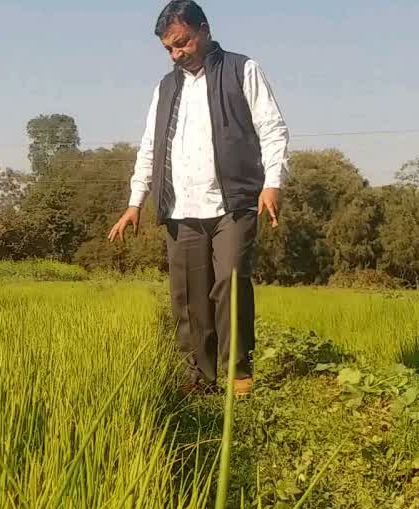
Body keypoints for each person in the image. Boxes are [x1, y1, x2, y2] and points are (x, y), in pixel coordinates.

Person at [109, 0, 289, 397]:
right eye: (169, 49)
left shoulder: (243, 69)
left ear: (203, 29)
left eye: (182, 43)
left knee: (230, 281)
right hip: (180, 207)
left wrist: (272, 182)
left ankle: (237, 371)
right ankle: (200, 376)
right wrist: (135, 201)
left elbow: (272, 128)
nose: (177, 54)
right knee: (188, 295)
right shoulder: (166, 87)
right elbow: (150, 147)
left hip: (234, 202)